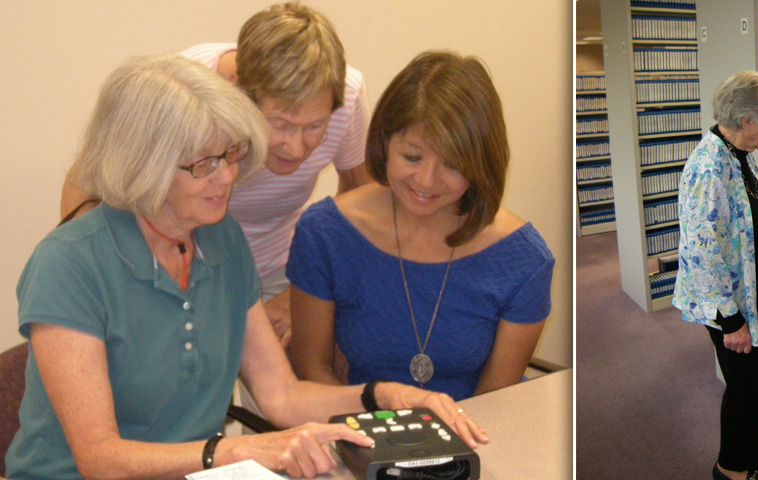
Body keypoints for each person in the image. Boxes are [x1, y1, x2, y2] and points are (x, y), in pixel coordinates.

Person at [6, 54, 486, 480]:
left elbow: (281, 395)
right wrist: (241, 449)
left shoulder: (221, 239)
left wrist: (383, 396)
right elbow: (101, 461)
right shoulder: (69, 263)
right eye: (204, 165)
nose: (229, 176)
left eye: (231, 155)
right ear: (142, 164)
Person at [60, 2, 374, 347]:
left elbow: (362, 200)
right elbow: (86, 181)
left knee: (277, 387)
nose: (297, 149)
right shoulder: (180, 89)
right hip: (177, 262)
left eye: (315, 126)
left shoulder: (346, 95)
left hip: (277, 265)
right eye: (280, 124)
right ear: (236, 89)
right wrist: (98, 280)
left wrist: (302, 291)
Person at [287, 50, 555, 402]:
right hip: (359, 432)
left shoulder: (524, 259)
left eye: (452, 165)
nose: (426, 181)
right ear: (384, 143)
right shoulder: (324, 233)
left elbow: (496, 402)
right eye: (411, 157)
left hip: (473, 436)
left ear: (480, 164)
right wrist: (373, 441)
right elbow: (313, 371)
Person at [672, 70, 758, 480]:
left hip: (748, 290)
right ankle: (732, 469)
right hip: (728, 303)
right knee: (744, 385)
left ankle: (749, 440)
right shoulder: (709, 168)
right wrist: (732, 322)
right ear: (746, 120)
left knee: (754, 377)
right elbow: (703, 254)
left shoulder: (737, 154)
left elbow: (739, 213)